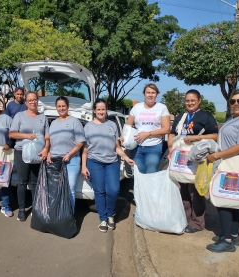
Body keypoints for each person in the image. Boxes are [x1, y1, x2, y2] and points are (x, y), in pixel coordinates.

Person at [206, 89, 239, 253]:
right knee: (234, 200)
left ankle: (227, 240)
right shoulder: (232, 119)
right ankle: (233, 234)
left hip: (231, 165)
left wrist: (217, 155)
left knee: (224, 200)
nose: (235, 104)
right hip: (229, 164)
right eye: (233, 101)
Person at [168, 89, 218, 233]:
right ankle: (186, 218)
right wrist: (171, 150)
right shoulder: (181, 117)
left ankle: (197, 222)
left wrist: (196, 138)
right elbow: (172, 134)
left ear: (199, 100)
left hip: (197, 158)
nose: (190, 103)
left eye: (193, 100)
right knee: (183, 188)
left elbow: (214, 136)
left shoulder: (206, 116)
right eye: (187, 100)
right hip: (180, 159)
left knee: (195, 190)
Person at [81, 98, 135, 233]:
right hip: (94, 162)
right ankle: (103, 219)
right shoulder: (88, 127)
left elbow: (116, 147)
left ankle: (110, 214)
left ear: (106, 110)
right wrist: (83, 166)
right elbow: (85, 149)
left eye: (103, 109)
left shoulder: (112, 125)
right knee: (99, 192)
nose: (101, 111)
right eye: (98, 109)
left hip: (111, 162)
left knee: (114, 190)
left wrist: (126, 158)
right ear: (94, 111)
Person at [9, 91, 50, 222]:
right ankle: (21, 210)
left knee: (35, 183)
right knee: (22, 182)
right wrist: (27, 136)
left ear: (38, 101)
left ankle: (35, 208)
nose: (32, 102)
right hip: (22, 152)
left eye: (34, 99)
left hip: (38, 154)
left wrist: (46, 149)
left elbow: (47, 136)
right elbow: (12, 134)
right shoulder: (19, 116)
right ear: (26, 102)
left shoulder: (43, 117)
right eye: (29, 100)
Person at [47, 96, 85, 213]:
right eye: (59, 106)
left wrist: (70, 154)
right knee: (55, 189)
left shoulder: (75, 121)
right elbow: (50, 141)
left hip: (71, 160)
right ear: (56, 108)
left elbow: (80, 142)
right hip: (55, 161)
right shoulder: (53, 123)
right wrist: (49, 153)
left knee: (70, 189)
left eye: (63, 106)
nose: (61, 108)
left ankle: (69, 216)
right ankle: (58, 215)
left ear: (68, 107)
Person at [123, 83, 170, 173]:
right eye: (148, 92)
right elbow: (128, 125)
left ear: (156, 94)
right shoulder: (137, 107)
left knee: (151, 174)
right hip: (136, 146)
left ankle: (150, 188)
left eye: (153, 93)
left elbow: (166, 129)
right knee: (139, 173)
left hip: (154, 146)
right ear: (144, 93)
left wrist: (148, 134)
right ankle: (139, 188)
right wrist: (123, 137)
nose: (150, 95)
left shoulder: (162, 108)